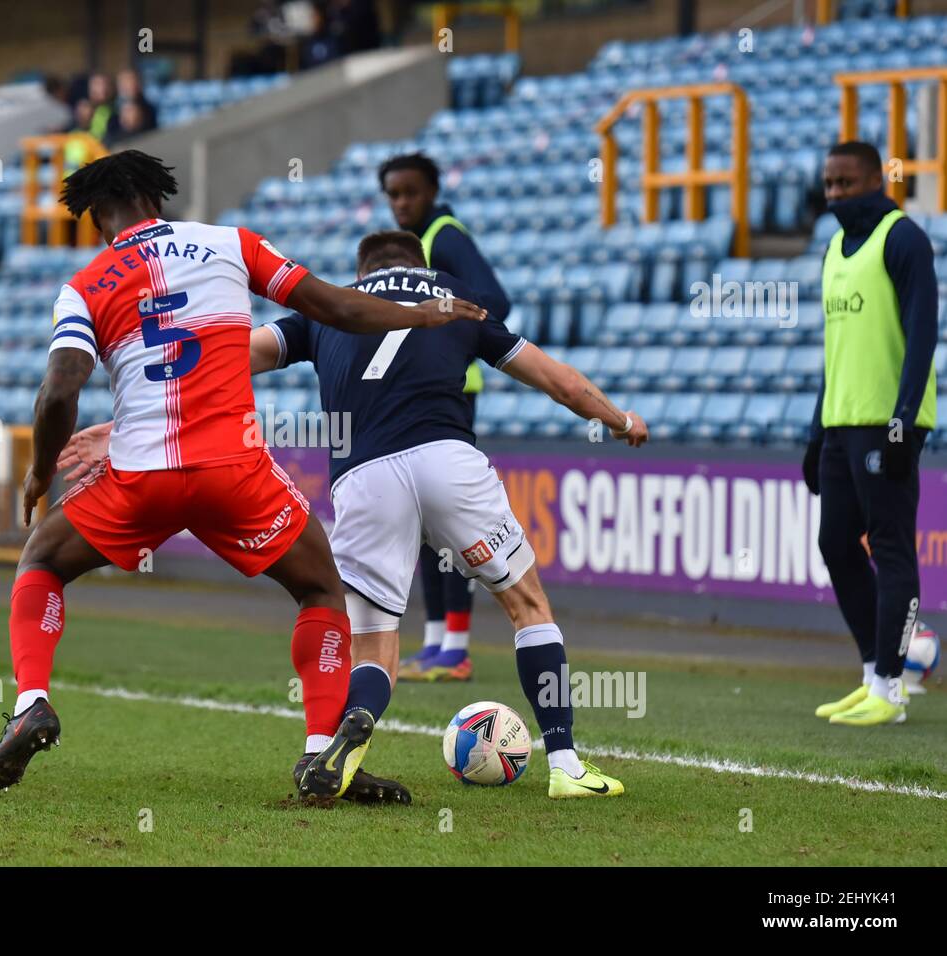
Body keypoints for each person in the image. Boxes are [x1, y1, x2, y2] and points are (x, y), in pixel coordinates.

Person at [61, 230, 648, 799]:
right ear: (419, 264)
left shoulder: (328, 310)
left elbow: (218, 366)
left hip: (364, 479)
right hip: (448, 458)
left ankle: (351, 734)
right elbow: (560, 382)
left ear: (364, 273)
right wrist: (620, 420)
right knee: (527, 605)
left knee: (372, 648)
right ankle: (566, 764)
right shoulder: (454, 302)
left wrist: (129, 426)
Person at [0, 151, 485, 802]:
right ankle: (319, 756)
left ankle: (32, 703)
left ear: (104, 213)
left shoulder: (85, 285)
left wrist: (40, 472)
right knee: (321, 591)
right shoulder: (230, 244)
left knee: (42, 562)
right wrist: (424, 314)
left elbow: (58, 392)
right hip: (235, 472)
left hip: (143, 476)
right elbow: (336, 308)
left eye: (95, 220)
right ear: (153, 198)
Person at [804, 141, 940, 727]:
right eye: (829, 185)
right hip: (841, 421)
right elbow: (836, 353)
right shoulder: (834, 248)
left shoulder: (903, 238)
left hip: (887, 424)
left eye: (846, 183)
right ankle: (870, 674)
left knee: (891, 550)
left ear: (875, 181)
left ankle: (894, 688)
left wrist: (903, 419)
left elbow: (922, 332)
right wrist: (816, 432)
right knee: (835, 544)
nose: (835, 195)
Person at [379, 151, 512, 682]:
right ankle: (436, 641)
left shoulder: (445, 237)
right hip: (426, 394)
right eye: (393, 194)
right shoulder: (418, 248)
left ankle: (456, 646)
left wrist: (449, 338)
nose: (401, 203)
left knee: (449, 521)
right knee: (425, 523)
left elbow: (495, 299)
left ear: (431, 192)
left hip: (454, 394)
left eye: (410, 192)